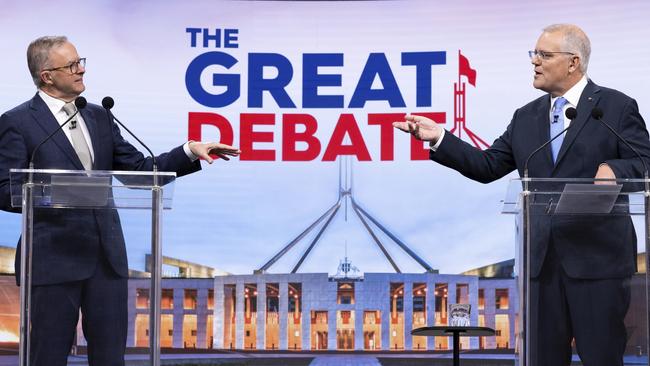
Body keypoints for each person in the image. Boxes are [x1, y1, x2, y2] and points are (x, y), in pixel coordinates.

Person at [394, 24, 650, 365]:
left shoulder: (614, 107)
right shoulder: (526, 117)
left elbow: (644, 161)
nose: (535, 62)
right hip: (541, 266)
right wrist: (440, 137)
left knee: (602, 358)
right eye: (534, 54)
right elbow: (487, 166)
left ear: (573, 62)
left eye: (544, 55)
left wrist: (616, 170)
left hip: (597, 264)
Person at [0, 36, 240, 365]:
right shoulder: (17, 123)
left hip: (106, 261)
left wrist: (189, 151)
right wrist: (65, 193)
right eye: (71, 65)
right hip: (52, 261)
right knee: (47, 357)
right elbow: (4, 189)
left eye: (80, 60)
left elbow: (140, 170)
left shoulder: (99, 117)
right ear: (47, 75)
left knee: (111, 358)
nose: (81, 69)